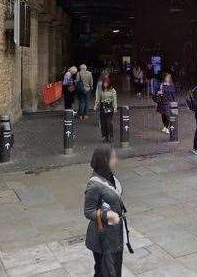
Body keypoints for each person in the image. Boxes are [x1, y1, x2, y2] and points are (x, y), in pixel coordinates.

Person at [84, 145, 131, 277]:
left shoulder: (110, 176)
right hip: (103, 237)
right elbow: (88, 211)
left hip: (115, 234)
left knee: (114, 271)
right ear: (105, 160)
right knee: (106, 272)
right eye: (113, 157)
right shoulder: (94, 185)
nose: (115, 160)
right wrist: (106, 214)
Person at [94, 74, 118, 142]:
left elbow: (114, 100)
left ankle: (111, 135)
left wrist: (115, 108)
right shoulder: (101, 90)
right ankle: (105, 136)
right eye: (104, 83)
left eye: (106, 83)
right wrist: (96, 105)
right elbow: (98, 98)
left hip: (109, 106)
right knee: (103, 123)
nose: (104, 84)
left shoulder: (112, 90)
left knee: (109, 122)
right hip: (102, 106)